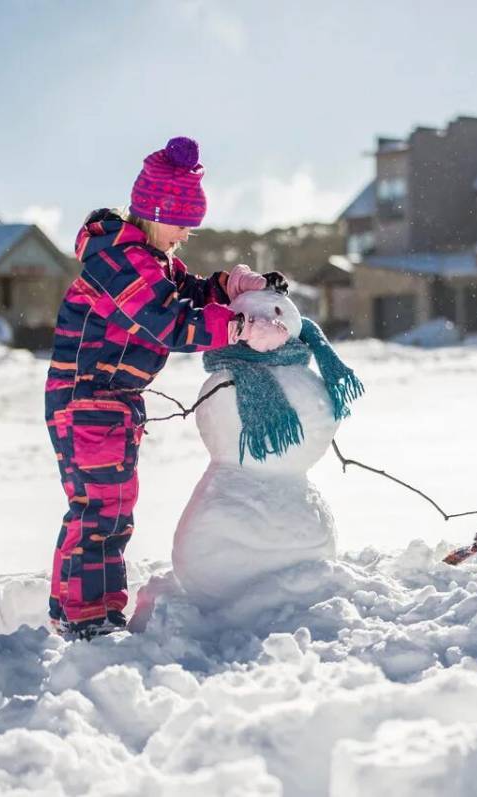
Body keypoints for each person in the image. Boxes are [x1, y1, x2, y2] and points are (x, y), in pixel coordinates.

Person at [44, 136, 291, 639]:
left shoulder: (150, 259)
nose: (184, 235)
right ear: (154, 212)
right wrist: (239, 329)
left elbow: (188, 292)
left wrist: (229, 288)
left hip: (109, 402)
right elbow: (169, 321)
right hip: (88, 400)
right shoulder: (120, 262)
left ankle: (82, 610)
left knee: (108, 506)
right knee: (101, 509)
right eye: (180, 223)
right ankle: (86, 618)